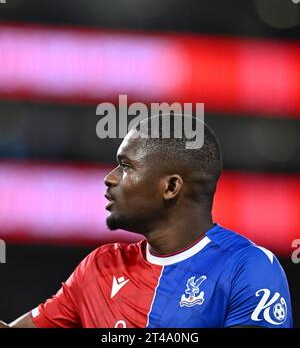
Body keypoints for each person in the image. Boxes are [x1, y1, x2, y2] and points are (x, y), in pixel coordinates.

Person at [0, 114, 293, 328]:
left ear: (170, 187)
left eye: (126, 167)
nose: (110, 178)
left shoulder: (247, 267)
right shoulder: (100, 267)